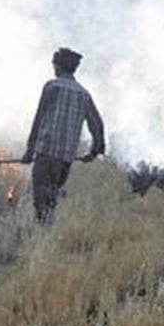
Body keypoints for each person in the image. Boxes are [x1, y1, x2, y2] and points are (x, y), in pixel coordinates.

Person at [21, 47, 105, 224]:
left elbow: (39, 119)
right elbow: (96, 124)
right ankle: (49, 232)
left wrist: (30, 151)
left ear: (58, 66)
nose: (53, 68)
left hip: (45, 155)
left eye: (54, 64)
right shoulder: (84, 94)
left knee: (41, 201)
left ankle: (43, 236)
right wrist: (95, 150)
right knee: (51, 198)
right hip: (64, 161)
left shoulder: (52, 87)